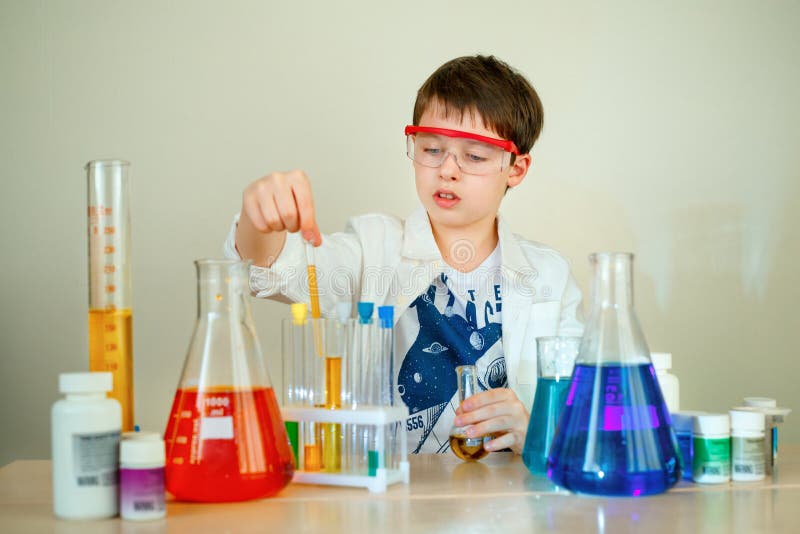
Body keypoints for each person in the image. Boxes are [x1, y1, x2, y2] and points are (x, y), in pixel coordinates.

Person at [223, 55, 583, 455]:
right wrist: (260, 220)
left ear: (515, 168)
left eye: (475, 156)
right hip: (389, 502)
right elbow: (272, 269)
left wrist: (533, 431)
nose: (447, 169)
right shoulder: (372, 247)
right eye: (431, 148)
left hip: (510, 506)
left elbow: (582, 428)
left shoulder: (549, 275)